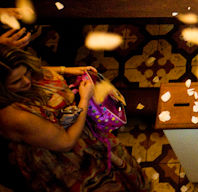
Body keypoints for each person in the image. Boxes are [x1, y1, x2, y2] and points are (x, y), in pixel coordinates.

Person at [0, 45, 149, 191]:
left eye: (26, 73)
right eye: (16, 81)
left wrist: (66, 70)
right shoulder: (16, 116)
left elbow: (39, 70)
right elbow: (67, 142)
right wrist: (84, 99)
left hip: (86, 134)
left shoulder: (29, 77)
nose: (26, 81)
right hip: (70, 159)